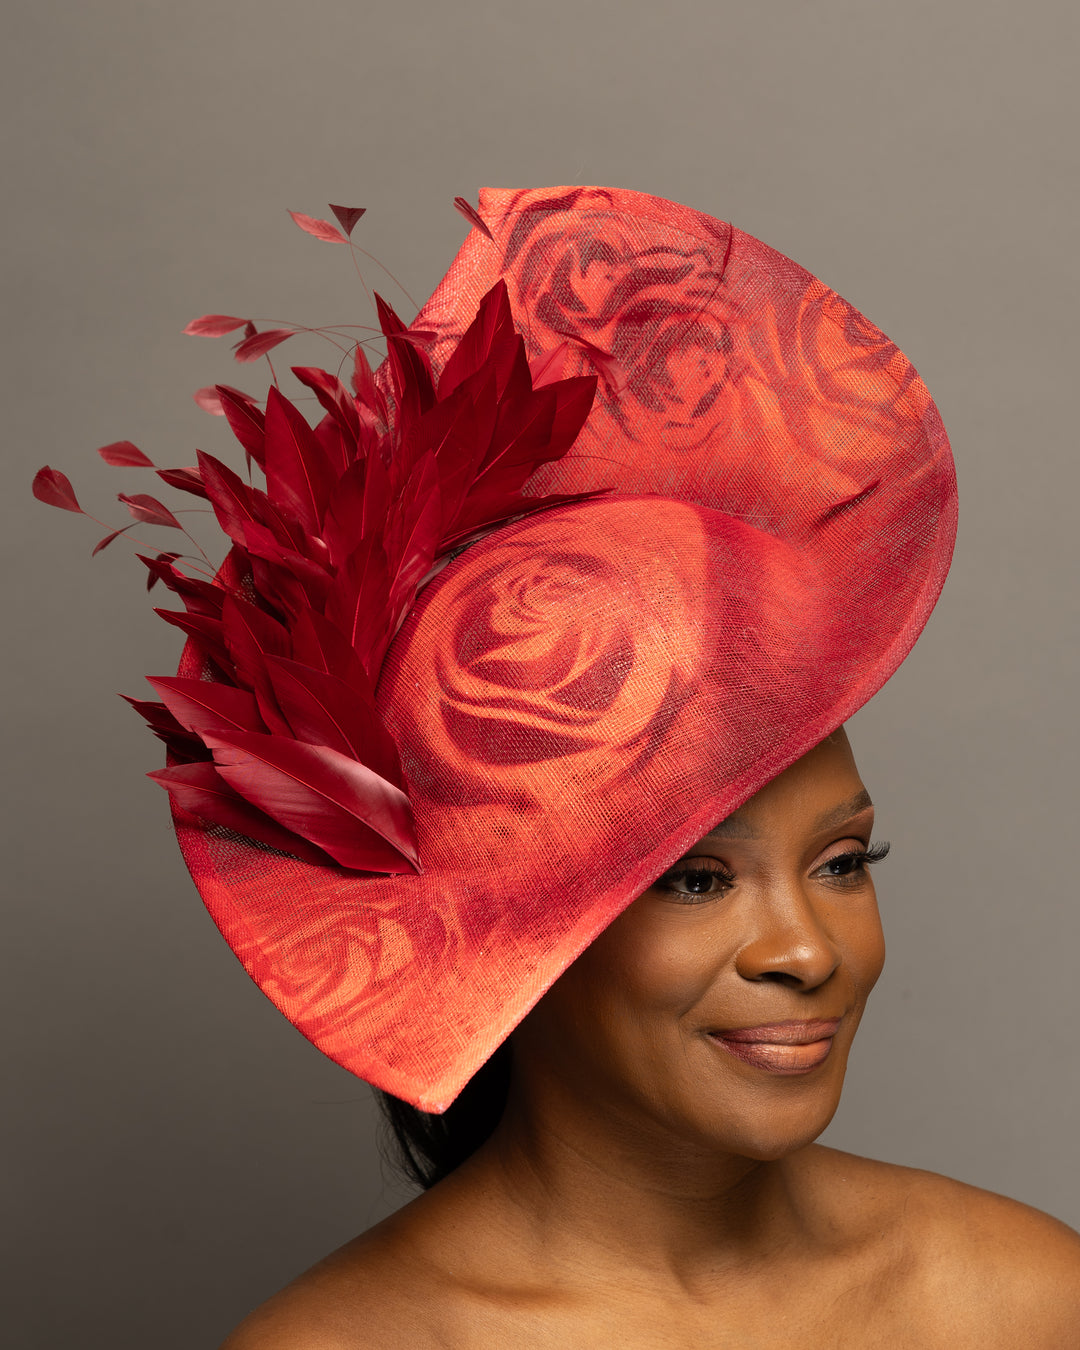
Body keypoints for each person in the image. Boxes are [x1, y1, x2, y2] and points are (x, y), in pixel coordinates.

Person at [35, 185, 1080, 1343]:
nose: (808, 951)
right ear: (505, 936)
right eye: (696, 878)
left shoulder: (1023, 1301)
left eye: (842, 861)